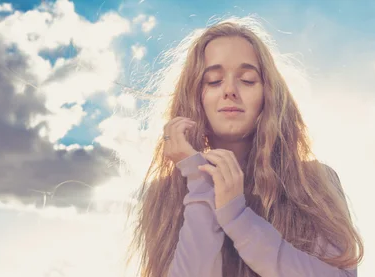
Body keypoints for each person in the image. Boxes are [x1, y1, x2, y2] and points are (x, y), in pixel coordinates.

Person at [131, 16, 363, 277]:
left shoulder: (314, 181)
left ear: (268, 96)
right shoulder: (164, 195)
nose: (229, 90)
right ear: (196, 95)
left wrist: (237, 217)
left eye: (248, 79)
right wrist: (199, 182)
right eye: (214, 81)